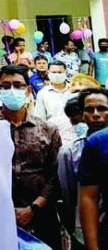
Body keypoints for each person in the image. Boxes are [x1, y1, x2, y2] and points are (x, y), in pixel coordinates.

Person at [0, 65, 63, 250]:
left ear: (29, 90)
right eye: (5, 86)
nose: (12, 90)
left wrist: (34, 207)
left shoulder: (47, 129)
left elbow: (55, 174)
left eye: (18, 85)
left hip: (42, 214)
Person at [59, 90, 108, 250]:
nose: (95, 115)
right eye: (89, 110)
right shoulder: (93, 144)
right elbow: (77, 197)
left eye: (102, 108)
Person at [35, 61, 75, 143]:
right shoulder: (43, 93)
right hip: (54, 136)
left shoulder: (74, 90)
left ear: (66, 72)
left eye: (60, 72)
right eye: (53, 72)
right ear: (48, 72)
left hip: (75, 134)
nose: (56, 74)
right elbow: (39, 119)